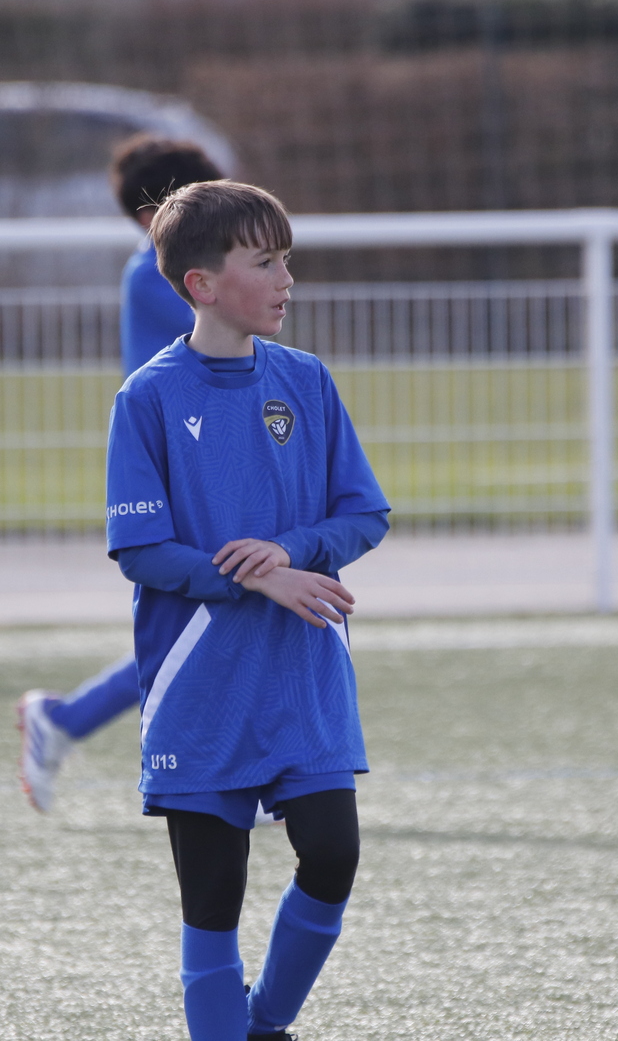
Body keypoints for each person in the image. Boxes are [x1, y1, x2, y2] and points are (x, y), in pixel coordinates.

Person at [104, 180, 389, 1041]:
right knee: (213, 896)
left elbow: (364, 513)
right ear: (201, 284)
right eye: (264, 261)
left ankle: (264, 1024)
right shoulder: (147, 398)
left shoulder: (306, 381)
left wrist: (293, 552)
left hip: (302, 671)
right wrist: (255, 577)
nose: (285, 278)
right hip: (200, 681)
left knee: (333, 854)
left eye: (285, 259)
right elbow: (141, 549)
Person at [16, 136, 224, 812]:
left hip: (205, 460)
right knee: (210, 616)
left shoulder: (172, 269)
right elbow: (237, 333)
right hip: (177, 469)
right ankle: (66, 720)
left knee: (219, 616)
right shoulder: (158, 275)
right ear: (156, 215)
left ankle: (65, 720)